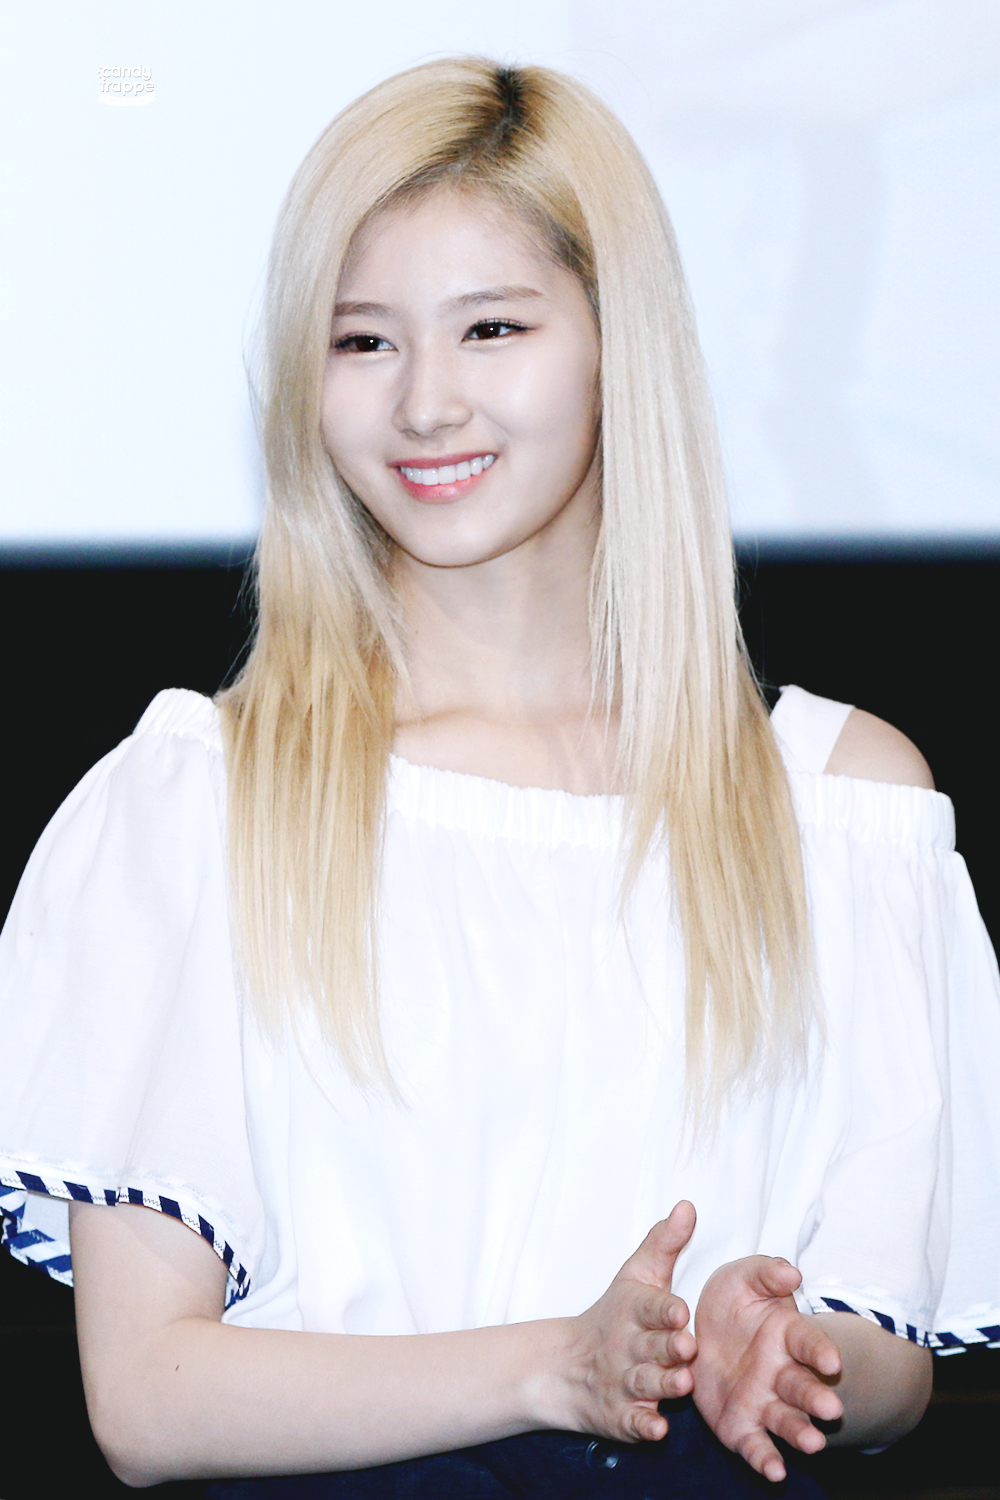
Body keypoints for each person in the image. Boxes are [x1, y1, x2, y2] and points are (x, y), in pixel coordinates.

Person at [2, 57, 999, 1499]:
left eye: (491, 328)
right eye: (362, 341)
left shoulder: (838, 808)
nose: (426, 403)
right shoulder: (201, 805)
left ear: (614, 345)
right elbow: (146, 1399)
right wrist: (555, 1365)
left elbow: (894, 1362)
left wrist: (782, 1355)